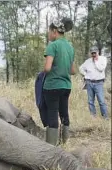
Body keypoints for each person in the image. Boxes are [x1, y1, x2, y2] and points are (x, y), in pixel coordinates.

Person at [43, 18, 76, 146]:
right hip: (66, 86)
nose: (49, 34)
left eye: (49, 32)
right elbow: (72, 71)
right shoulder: (70, 47)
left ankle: (51, 148)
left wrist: (42, 73)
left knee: (52, 114)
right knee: (64, 113)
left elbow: (47, 68)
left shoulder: (53, 45)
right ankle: (64, 144)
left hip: (52, 86)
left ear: (55, 31)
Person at [79, 46, 108, 119]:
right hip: (89, 82)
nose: (93, 54)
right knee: (90, 101)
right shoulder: (88, 61)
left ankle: (105, 117)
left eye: (95, 53)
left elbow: (101, 69)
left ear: (98, 52)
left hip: (99, 83)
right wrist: (86, 74)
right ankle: (93, 116)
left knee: (101, 100)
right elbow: (80, 68)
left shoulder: (103, 59)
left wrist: (96, 61)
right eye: (92, 53)